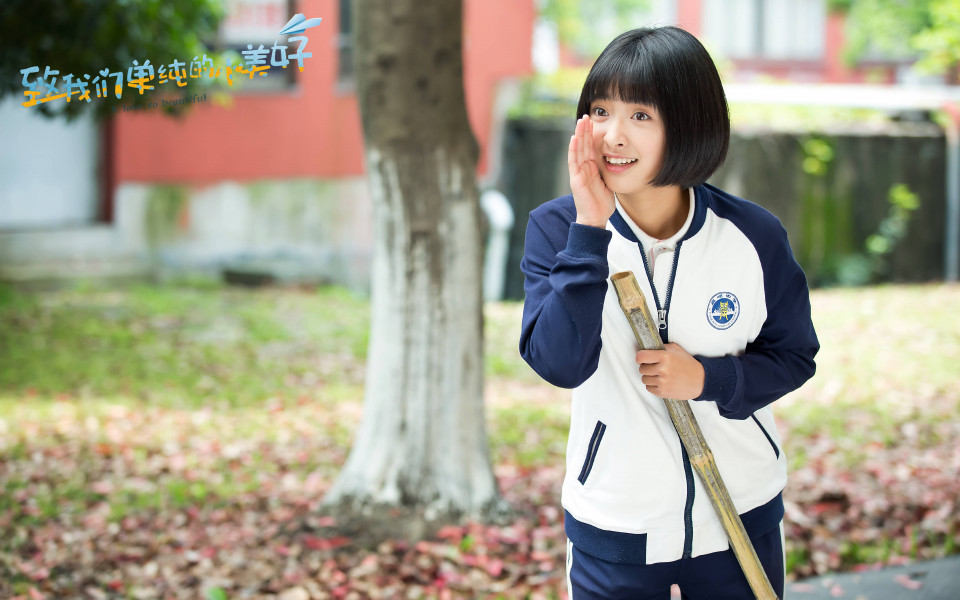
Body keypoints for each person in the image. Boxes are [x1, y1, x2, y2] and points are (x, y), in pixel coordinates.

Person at [518, 26, 819, 599]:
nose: (612, 134)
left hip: (740, 512)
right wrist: (589, 231)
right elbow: (559, 364)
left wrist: (708, 379)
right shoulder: (558, 230)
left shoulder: (753, 236)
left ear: (688, 125)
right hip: (615, 521)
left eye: (640, 115)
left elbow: (795, 355)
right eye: (600, 110)